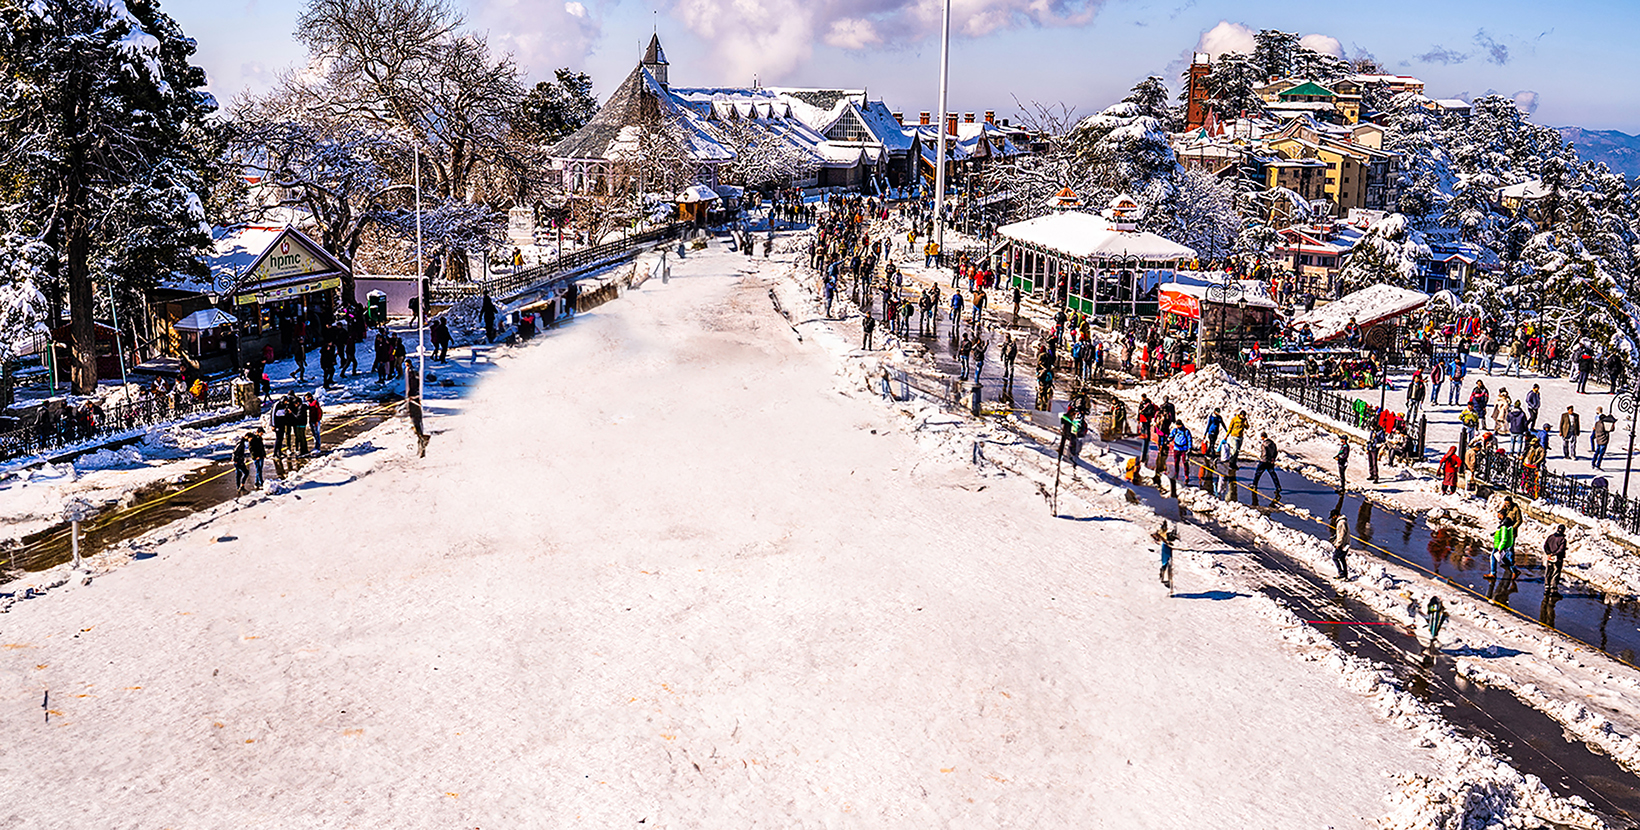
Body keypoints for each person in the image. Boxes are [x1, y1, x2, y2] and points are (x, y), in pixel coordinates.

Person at [1252, 432, 1281, 498]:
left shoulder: (1264, 444)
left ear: (1262, 437)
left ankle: (1254, 485)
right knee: (1273, 474)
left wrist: (1262, 459)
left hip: (1264, 461)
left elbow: (1264, 453)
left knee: (1258, 473)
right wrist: (1273, 458)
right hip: (1271, 461)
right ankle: (1278, 487)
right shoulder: (1272, 443)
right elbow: (1275, 452)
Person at [1542, 524, 1568, 598]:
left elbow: (1545, 546)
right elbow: (1561, 549)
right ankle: (1553, 590)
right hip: (1557, 559)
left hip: (1550, 558)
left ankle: (1547, 588)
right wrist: (1554, 554)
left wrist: (1549, 553)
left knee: (1548, 572)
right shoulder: (1562, 539)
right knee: (1555, 573)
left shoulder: (1551, 537)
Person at [1153, 520, 1177, 595]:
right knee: (1167, 562)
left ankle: (1167, 580)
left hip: (1167, 541)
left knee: (1167, 562)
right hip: (1166, 542)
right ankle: (1166, 579)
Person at [1169, 419, 1193, 484]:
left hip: (1184, 449)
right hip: (1176, 448)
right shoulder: (1175, 430)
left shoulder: (1186, 431)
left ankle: (1186, 476)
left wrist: (1189, 448)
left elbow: (1189, 439)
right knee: (1176, 462)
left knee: (1185, 462)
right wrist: (1169, 438)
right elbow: (1171, 435)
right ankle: (1176, 473)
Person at [1330, 512, 1351, 579]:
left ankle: (1341, 573)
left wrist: (1338, 544)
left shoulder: (1341, 523)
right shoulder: (1343, 521)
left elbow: (1341, 535)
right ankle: (1345, 574)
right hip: (1346, 543)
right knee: (1342, 558)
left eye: (1333, 517)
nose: (1333, 519)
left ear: (1336, 515)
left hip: (1342, 544)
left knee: (1335, 558)